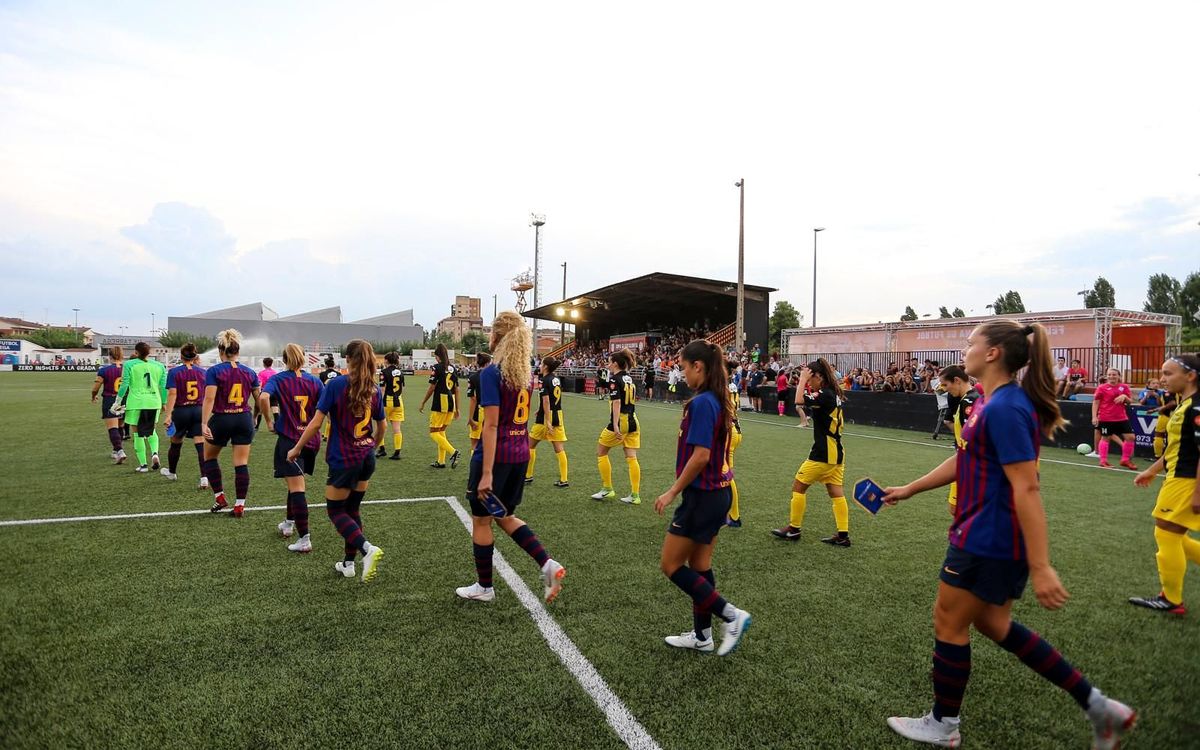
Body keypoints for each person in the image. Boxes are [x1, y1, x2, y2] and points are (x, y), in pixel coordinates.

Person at [881, 320, 1135, 748]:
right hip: (987, 534)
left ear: (994, 352)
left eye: (970, 343)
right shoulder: (988, 402)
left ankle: (943, 724)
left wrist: (1041, 566)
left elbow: (1027, 486)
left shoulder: (1006, 408)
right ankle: (1099, 706)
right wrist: (910, 489)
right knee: (995, 624)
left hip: (988, 538)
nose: (964, 350)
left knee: (948, 621)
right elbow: (967, 460)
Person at [455, 312, 566, 604]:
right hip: (519, 454)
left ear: (498, 336)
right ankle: (547, 564)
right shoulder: (525, 375)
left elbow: (490, 425)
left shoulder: (493, 373)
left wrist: (487, 472)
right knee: (504, 516)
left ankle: (484, 587)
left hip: (496, 458)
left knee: (482, 521)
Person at [653, 340, 751, 656]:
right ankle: (702, 636)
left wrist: (671, 492)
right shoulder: (717, 400)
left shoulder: (703, 403)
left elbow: (700, 457)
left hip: (703, 497)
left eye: (683, 367)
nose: (682, 374)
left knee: (670, 564)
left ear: (699, 366)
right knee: (699, 565)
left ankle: (731, 615)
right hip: (718, 494)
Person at [288, 339, 386, 581]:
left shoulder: (336, 385)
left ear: (349, 359)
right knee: (352, 509)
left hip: (344, 459)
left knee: (335, 511)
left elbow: (316, 423)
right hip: (366, 458)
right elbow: (381, 426)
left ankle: (367, 549)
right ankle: (348, 564)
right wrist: (372, 444)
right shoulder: (374, 388)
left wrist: (296, 448)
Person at [1128, 354, 1200, 615]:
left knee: (1166, 533)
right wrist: (1151, 470)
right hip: (1177, 478)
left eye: (1168, 374)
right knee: (1174, 535)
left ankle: (1171, 600)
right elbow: (1176, 448)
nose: (1162, 379)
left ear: (1190, 376)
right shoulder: (1183, 404)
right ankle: (1171, 597)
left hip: (1186, 481)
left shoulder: (1196, 406)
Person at [771, 358, 851, 546]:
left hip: (824, 453)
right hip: (836, 452)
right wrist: (806, 378)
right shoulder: (832, 393)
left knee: (798, 486)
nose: (808, 382)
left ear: (819, 377)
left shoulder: (825, 394)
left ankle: (794, 529)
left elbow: (798, 401)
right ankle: (843, 535)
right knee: (836, 492)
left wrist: (801, 380)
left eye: (810, 378)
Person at [261, 344, 323, 554]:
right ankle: (288, 523)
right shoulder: (314, 380)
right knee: (294, 481)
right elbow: (326, 408)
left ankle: (304, 538)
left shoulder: (279, 379)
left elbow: (263, 397)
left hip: (291, 440)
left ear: (284, 359)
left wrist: (269, 422)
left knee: (297, 487)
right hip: (311, 440)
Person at [201, 329, 259, 517]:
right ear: (238, 351)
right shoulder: (249, 372)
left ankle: (219, 496)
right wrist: (258, 416)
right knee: (241, 463)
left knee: (209, 458)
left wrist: (203, 423)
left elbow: (209, 399)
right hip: (243, 418)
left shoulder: (214, 371)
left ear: (221, 352)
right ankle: (240, 505)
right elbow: (259, 399)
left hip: (222, 418)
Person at [591, 349, 643, 505]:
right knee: (631, 457)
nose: (608, 364)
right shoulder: (629, 378)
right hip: (634, 420)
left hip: (621, 421)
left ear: (615, 363)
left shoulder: (615, 379)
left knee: (601, 452)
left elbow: (617, 402)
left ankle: (607, 489)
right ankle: (635, 495)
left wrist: (615, 424)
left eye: (609, 361)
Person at [114, 342, 167, 474]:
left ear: (136, 352)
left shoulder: (129, 365)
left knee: (137, 434)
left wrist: (118, 401)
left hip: (136, 402)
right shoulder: (159, 366)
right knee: (151, 431)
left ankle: (143, 465)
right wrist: (164, 402)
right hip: (154, 402)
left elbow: (124, 384)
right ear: (149, 353)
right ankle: (155, 453)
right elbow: (163, 386)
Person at [161, 343, 208, 487]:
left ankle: (172, 472)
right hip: (198, 410)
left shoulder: (174, 372)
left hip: (181, 411)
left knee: (176, 442)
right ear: (195, 356)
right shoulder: (202, 372)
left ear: (181, 356)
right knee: (200, 443)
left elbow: (173, 394)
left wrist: (168, 414)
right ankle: (204, 477)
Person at [939, 365, 979, 515]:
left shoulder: (968, 402)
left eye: (945, 384)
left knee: (958, 510)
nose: (944, 389)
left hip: (968, 466)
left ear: (956, 380)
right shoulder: (966, 400)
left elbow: (974, 441)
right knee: (956, 510)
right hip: (964, 462)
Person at [526, 356, 569, 488]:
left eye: (541, 364)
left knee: (529, 445)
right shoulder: (555, 379)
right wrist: (539, 410)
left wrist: (547, 420)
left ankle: (528, 475)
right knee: (559, 449)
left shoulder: (543, 380)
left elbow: (546, 400)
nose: (539, 365)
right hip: (558, 415)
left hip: (546, 418)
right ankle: (564, 479)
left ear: (545, 366)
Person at [419, 343, 460, 469]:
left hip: (441, 402)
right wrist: (457, 408)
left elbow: (432, 387)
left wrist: (423, 402)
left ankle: (453, 452)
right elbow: (457, 389)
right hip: (451, 402)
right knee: (441, 431)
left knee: (433, 432)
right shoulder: (453, 368)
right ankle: (441, 461)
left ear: (437, 356)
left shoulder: (436, 367)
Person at [1092, 367, 1137, 470]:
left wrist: (1125, 397)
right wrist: (1094, 416)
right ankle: (1103, 461)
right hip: (1106, 418)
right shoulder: (1102, 388)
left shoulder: (1124, 387)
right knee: (1106, 438)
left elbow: (1130, 402)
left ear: (1119, 376)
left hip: (1121, 417)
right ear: (1107, 376)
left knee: (1130, 437)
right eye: (1109, 375)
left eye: (1114, 374)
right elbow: (1096, 402)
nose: (1111, 376)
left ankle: (1125, 460)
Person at [90, 346, 127, 464]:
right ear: (122, 355)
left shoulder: (104, 370)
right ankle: (116, 450)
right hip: (124, 400)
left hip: (110, 400)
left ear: (109, 356)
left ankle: (120, 451)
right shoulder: (127, 369)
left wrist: (93, 395)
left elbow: (96, 387)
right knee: (120, 426)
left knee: (113, 427)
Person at [725, 359, 743, 528]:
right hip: (735, 428)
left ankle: (734, 516)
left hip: (728, 430)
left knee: (726, 474)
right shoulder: (731, 384)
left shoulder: (720, 385)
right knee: (724, 472)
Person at [377, 351, 405, 460]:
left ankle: (382, 449)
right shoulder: (400, 372)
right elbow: (403, 388)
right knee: (397, 428)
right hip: (398, 400)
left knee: (381, 426)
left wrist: (378, 401)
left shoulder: (383, 372)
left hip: (387, 401)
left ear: (387, 360)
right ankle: (397, 452)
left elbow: (382, 389)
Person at [466, 353, 491, 455]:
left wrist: (470, 418)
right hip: (492, 412)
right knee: (490, 442)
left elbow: (473, 399)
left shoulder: (473, 377)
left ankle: (475, 469)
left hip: (479, 412)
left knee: (475, 443)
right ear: (488, 363)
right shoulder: (494, 377)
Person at [255, 356, 277, 430]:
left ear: (264, 364)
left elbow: (259, 384)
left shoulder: (261, 373)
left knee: (260, 411)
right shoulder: (275, 373)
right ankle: (277, 427)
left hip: (265, 393)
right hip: (273, 393)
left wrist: (259, 393)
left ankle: (256, 427)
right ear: (271, 364)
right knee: (275, 410)